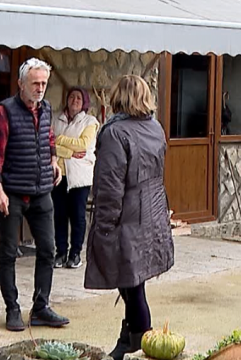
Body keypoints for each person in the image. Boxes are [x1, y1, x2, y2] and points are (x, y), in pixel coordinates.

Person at [85, 75, 174, 360]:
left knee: (132, 285)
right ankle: (132, 336)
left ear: (118, 97)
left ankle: (139, 340)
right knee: (133, 281)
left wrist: (104, 227)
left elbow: (110, 185)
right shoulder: (154, 127)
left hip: (129, 215)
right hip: (152, 211)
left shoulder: (115, 133)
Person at [0, 57, 70, 332]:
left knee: (48, 250)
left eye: (43, 83)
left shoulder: (46, 109)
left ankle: (41, 308)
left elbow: (48, 137)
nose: (40, 88)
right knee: (9, 253)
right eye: (35, 83)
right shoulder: (3, 112)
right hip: (12, 192)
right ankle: (12, 309)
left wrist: (53, 161)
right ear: (21, 84)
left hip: (42, 191)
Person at [53, 87, 98, 269]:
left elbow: (83, 145)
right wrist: (68, 152)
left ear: (84, 101)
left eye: (79, 98)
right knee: (59, 215)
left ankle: (75, 254)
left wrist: (60, 140)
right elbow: (49, 144)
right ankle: (61, 252)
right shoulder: (57, 119)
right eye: (72, 97)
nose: (75, 100)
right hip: (59, 174)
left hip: (79, 176)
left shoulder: (90, 122)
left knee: (78, 216)